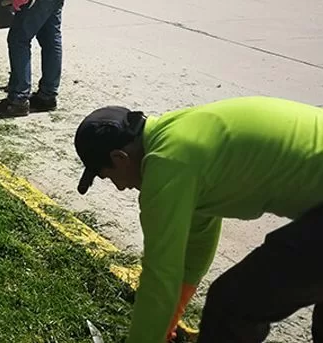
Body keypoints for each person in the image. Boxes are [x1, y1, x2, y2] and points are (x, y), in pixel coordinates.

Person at [74, 96, 323, 342]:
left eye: (108, 176)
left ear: (120, 158)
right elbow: (197, 246)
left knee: (232, 306)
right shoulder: (178, 137)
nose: (119, 187)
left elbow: (160, 276)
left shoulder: (167, 164)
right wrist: (167, 324)